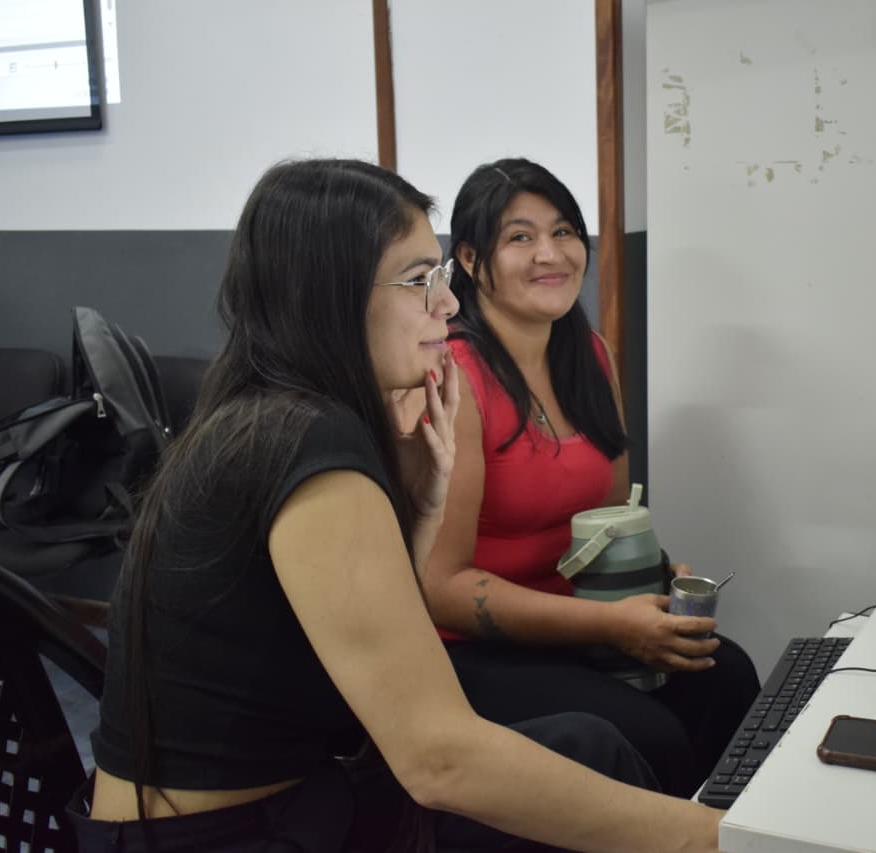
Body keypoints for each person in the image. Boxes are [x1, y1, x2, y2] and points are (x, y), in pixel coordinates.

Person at [74, 158, 724, 852]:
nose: (447, 305)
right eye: (419, 281)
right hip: (232, 835)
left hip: (288, 797)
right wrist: (720, 839)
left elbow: (365, 634)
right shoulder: (306, 443)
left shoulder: (274, 412)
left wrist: (421, 503)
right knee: (610, 760)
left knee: (591, 744)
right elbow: (437, 760)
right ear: (330, 294)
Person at [423, 157, 760, 798]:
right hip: (473, 649)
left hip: (581, 624)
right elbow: (442, 587)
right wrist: (609, 626)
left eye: (564, 231)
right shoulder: (455, 378)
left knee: (727, 675)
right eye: (520, 237)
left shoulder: (591, 354)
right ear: (469, 259)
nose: (550, 254)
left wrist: (653, 577)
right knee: (649, 734)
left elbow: (612, 521)